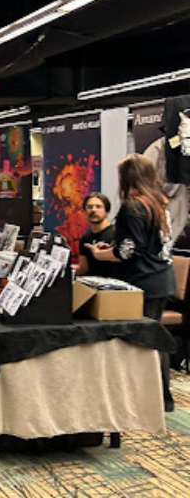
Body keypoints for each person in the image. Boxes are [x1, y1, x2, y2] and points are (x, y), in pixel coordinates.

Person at [87, 154, 176, 411]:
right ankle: (161, 398)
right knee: (154, 339)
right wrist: (113, 245)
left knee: (145, 343)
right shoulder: (159, 203)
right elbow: (147, 243)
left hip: (143, 282)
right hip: (161, 277)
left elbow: (127, 253)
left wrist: (100, 253)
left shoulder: (132, 206)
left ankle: (154, 399)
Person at [76, 192, 119, 277]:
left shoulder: (117, 233)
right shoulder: (85, 237)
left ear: (107, 211)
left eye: (98, 206)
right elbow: (83, 268)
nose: (93, 210)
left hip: (116, 286)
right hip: (92, 286)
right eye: (89, 207)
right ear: (84, 211)